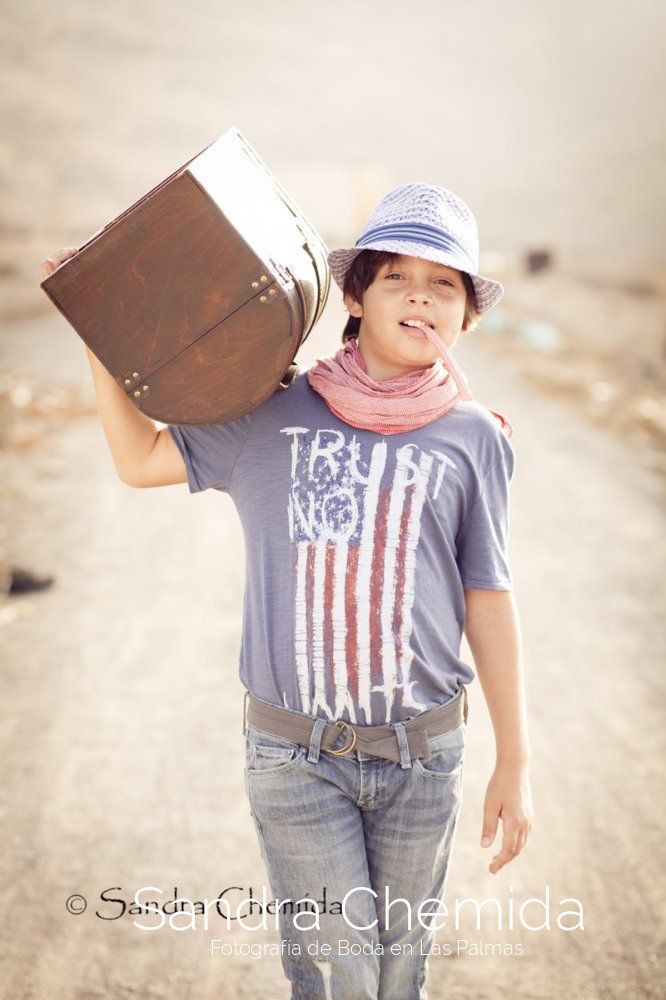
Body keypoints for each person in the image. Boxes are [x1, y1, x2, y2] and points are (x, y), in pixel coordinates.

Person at [41, 182, 533, 999]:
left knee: (398, 972)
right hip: (294, 758)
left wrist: (515, 760)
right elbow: (139, 461)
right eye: (395, 277)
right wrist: (102, 335)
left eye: (443, 281)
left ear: (467, 315)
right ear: (354, 296)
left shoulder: (475, 438)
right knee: (339, 975)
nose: (420, 293)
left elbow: (489, 598)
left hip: (426, 758)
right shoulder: (267, 412)